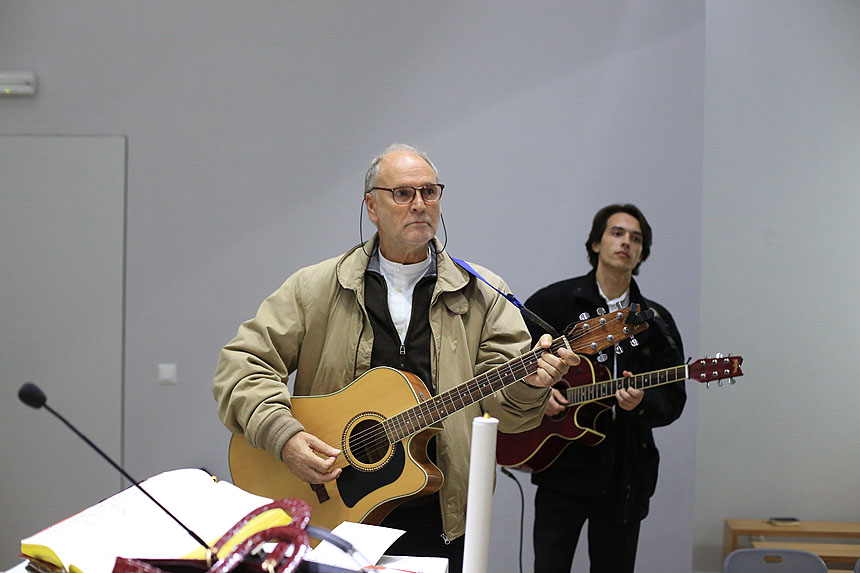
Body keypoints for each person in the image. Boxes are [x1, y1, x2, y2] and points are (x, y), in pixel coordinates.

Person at [212, 143, 579, 572]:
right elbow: (242, 364)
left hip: (441, 512)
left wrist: (529, 385)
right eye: (403, 193)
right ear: (372, 205)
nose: (420, 204)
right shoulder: (314, 288)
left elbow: (511, 417)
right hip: (334, 506)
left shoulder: (484, 295)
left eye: (429, 192)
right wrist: (284, 436)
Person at [524, 204, 686, 573]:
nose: (626, 242)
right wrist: (539, 396)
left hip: (625, 474)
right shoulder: (554, 303)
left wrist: (642, 402)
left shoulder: (655, 321)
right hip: (560, 465)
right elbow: (511, 368)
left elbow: (674, 398)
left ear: (642, 253)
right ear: (596, 243)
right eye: (617, 233)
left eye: (636, 238)